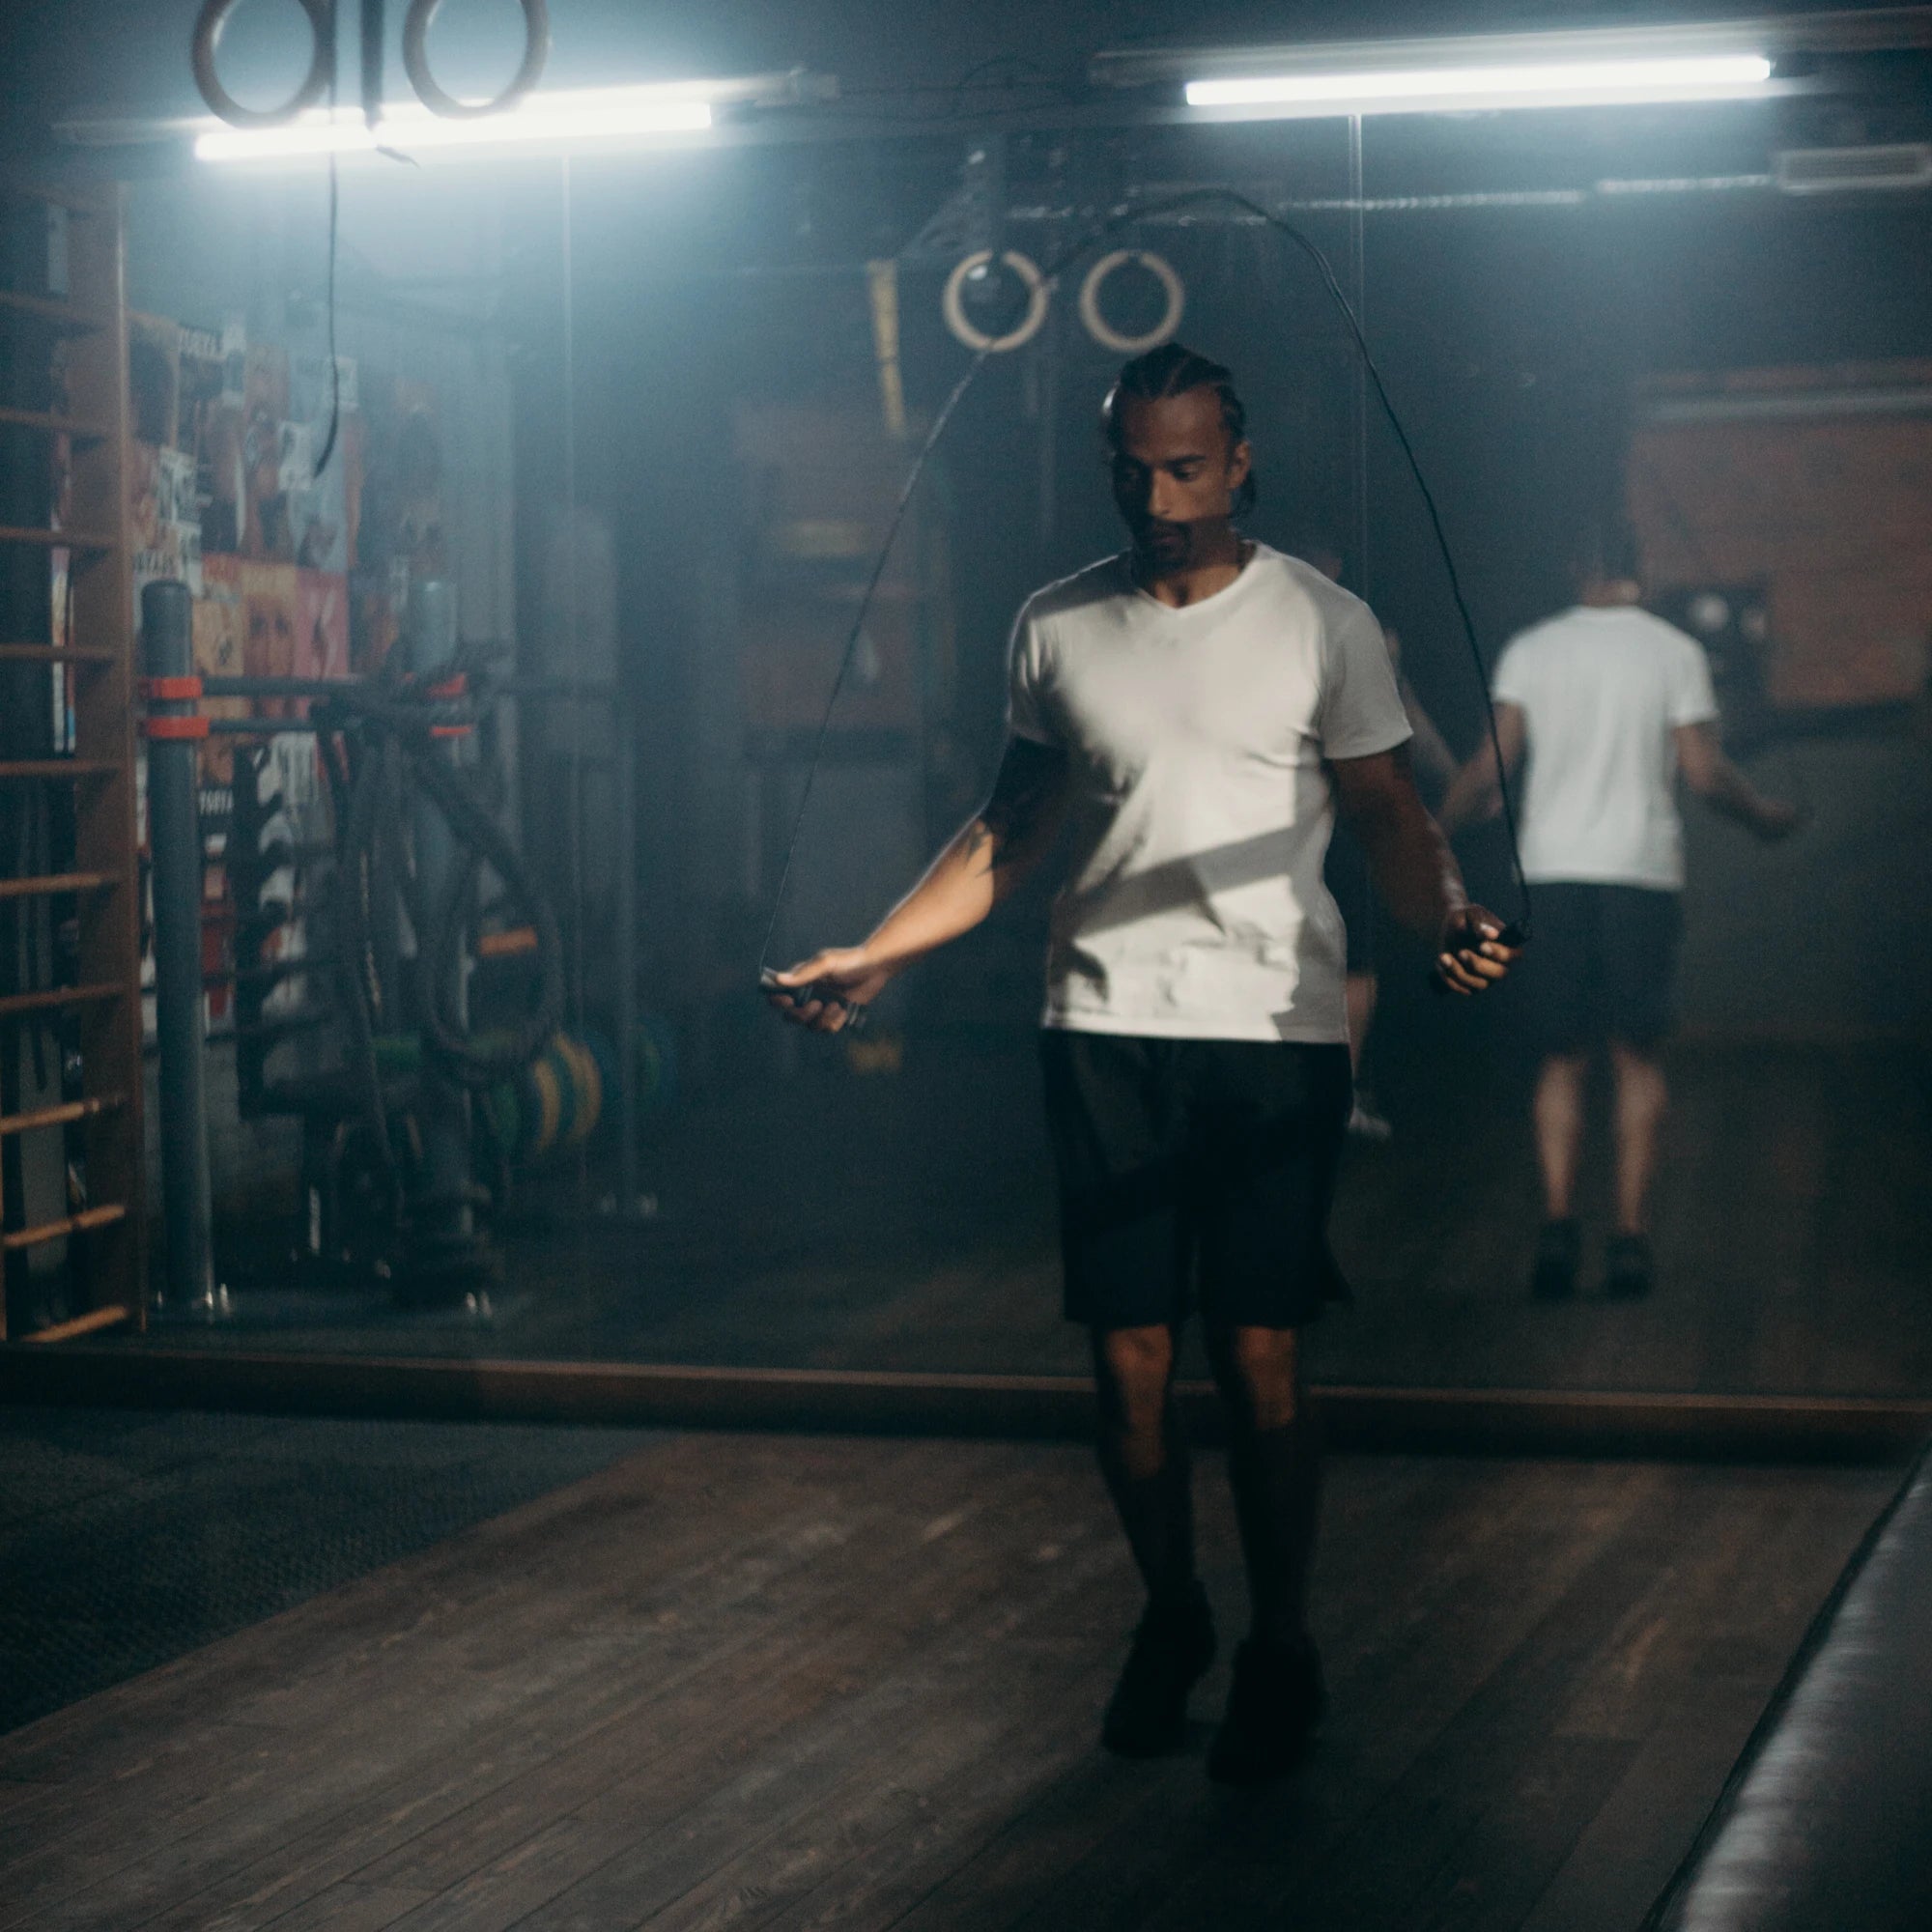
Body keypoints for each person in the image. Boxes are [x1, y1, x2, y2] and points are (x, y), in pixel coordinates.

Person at [770, 343, 1518, 1784]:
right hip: (1102, 1027)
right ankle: (1173, 1617)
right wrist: (873, 953)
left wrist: (1457, 914)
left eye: (1189, 467)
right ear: (1108, 465)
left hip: (1270, 1033)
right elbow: (1008, 832)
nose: (1161, 495)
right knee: (1125, 1367)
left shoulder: (1322, 621)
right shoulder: (1057, 627)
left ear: (1241, 465)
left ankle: (1282, 1644)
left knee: (1257, 1354)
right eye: (1135, 468)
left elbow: (1389, 822)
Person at [1439, 532, 1796, 1300]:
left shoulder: (1532, 648)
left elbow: (1486, 766)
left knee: (1560, 1059)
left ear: (1578, 566)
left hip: (1553, 873)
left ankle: (1559, 1227)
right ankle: (1629, 1239)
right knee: (1639, 1058)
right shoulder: (1672, 651)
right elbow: (1703, 773)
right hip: (1639, 872)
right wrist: (1762, 815)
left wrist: (1433, 827)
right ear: (1643, 568)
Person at [1292, 528, 1460, 1140]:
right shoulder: (1358, 632)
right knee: (1352, 964)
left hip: (1275, 818)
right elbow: (1403, 717)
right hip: (1336, 812)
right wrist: (1453, 774)